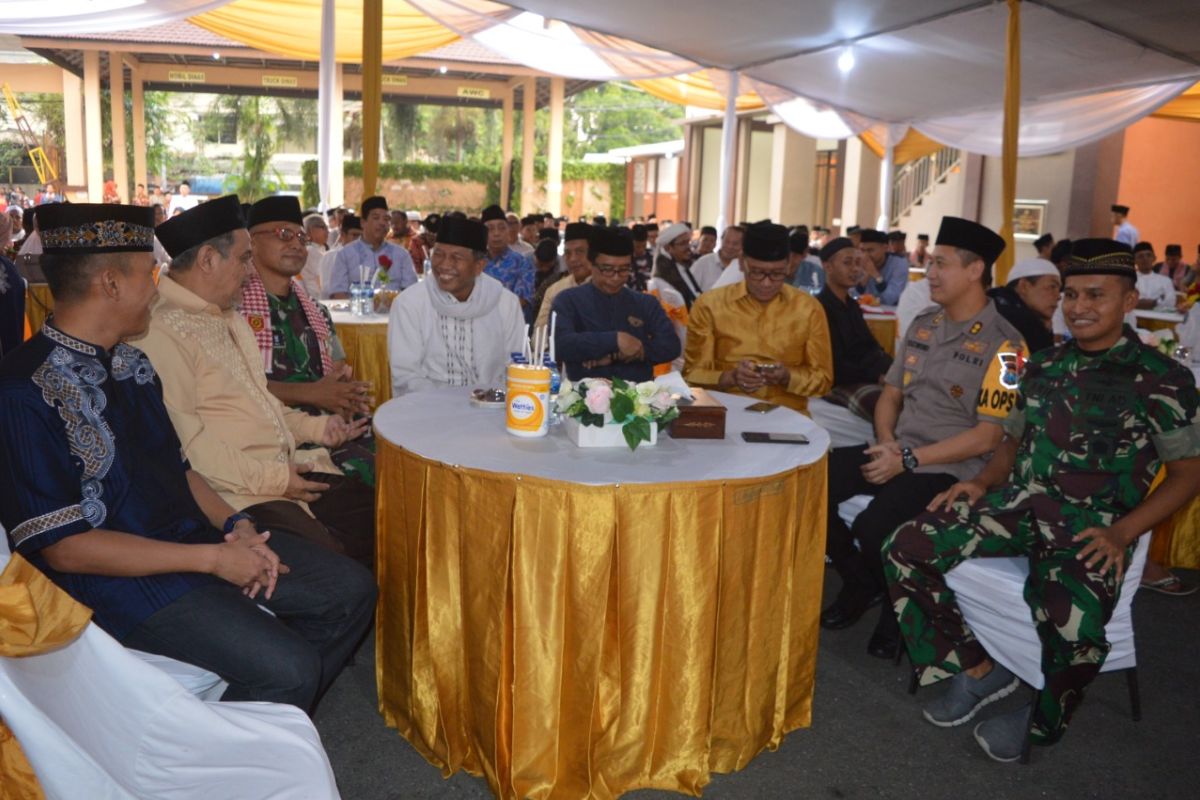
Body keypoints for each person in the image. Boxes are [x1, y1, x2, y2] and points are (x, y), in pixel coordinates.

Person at [0, 202, 375, 713]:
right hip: (111, 583)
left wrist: (236, 526)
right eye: (147, 274)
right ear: (110, 283)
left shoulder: (131, 362)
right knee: (290, 669)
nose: (157, 287)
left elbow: (181, 467)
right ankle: (221, 739)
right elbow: (66, 550)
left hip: (190, 542)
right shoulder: (23, 389)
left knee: (349, 590)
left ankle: (249, 722)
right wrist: (213, 560)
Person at [883, 238, 1200, 762]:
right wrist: (982, 483)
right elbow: (1009, 440)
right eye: (1070, 294)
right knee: (905, 546)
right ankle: (979, 668)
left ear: (1128, 301)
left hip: (1092, 526)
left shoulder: (1161, 378)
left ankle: (1041, 716)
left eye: (1095, 295)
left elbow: (1188, 475)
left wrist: (1123, 533)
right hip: (1020, 506)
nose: (1078, 307)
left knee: (1076, 627)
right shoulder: (1040, 364)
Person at [820, 217, 1024, 661]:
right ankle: (861, 583)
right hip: (900, 450)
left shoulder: (1007, 347)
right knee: (810, 489)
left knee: (875, 527)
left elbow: (988, 435)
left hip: (949, 466)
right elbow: (890, 395)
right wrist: (888, 441)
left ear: (975, 271)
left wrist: (908, 458)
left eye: (941, 264)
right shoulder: (923, 325)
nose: (929, 273)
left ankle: (896, 611)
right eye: (930, 263)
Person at [141, 195, 375, 567]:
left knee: (379, 517)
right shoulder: (161, 330)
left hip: (285, 467)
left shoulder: (227, 316)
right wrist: (276, 479)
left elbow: (260, 400)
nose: (251, 272)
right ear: (207, 260)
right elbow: (190, 451)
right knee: (338, 568)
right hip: (239, 493)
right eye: (244, 258)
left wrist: (317, 427)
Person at [239, 196, 374, 486]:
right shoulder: (235, 310)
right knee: (369, 477)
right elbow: (237, 390)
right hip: (272, 438)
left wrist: (345, 396)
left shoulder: (317, 311)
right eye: (283, 234)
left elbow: (337, 368)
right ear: (251, 242)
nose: (297, 244)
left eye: (301, 237)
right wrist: (312, 394)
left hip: (332, 427)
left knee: (396, 453)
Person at [683, 221, 832, 413]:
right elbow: (691, 375)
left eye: (777, 274)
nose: (767, 283)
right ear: (742, 263)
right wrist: (731, 377)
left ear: (789, 264)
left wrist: (787, 377)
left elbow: (824, 381)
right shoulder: (710, 306)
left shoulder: (808, 308)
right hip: (725, 415)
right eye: (757, 272)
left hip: (788, 416)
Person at [388, 216, 524, 395]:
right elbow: (406, 377)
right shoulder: (409, 304)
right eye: (439, 254)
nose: (444, 265)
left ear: (479, 266)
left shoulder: (505, 304)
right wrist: (452, 405)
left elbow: (514, 369)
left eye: (456, 257)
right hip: (427, 412)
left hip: (490, 411)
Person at [553, 227, 680, 383]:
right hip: (583, 400)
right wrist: (615, 339)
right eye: (608, 269)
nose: (615, 277)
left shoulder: (645, 303)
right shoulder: (568, 300)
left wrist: (624, 353)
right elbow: (562, 345)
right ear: (591, 264)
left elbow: (671, 346)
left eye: (623, 270)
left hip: (639, 400)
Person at [816, 237, 892, 387]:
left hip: (868, 375)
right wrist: (877, 378)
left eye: (858, 263)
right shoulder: (819, 308)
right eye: (847, 262)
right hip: (843, 382)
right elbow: (833, 363)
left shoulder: (852, 305)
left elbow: (871, 347)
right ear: (828, 267)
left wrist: (892, 368)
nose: (856, 269)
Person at [328, 196, 418, 298]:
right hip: (357, 311)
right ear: (363, 222)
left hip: (393, 312)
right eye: (376, 218)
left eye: (386, 219)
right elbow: (339, 293)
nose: (382, 223)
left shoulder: (401, 255)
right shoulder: (345, 255)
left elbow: (411, 291)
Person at [987, 257, 1061, 354]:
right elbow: (1045, 363)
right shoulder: (1022, 322)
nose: (1059, 296)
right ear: (1024, 286)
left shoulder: (991, 305)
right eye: (1052, 287)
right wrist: (1043, 332)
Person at [536, 222, 592, 332]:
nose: (572, 259)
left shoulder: (608, 287)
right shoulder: (554, 289)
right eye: (568, 253)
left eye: (579, 252)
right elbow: (539, 335)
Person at [653, 222, 702, 309]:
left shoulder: (682, 267)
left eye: (688, 242)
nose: (688, 247)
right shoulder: (662, 278)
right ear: (668, 248)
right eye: (683, 243)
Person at [858, 229, 910, 305]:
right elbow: (853, 296)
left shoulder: (899, 263)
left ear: (885, 248)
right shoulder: (858, 262)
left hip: (891, 312)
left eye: (870, 250)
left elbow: (890, 299)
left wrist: (876, 275)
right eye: (862, 250)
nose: (865, 255)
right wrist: (865, 278)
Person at [689, 225, 743, 292]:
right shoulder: (703, 263)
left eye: (735, 244)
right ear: (721, 240)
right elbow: (689, 289)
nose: (730, 246)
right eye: (727, 242)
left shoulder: (743, 268)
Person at [529, 237, 564, 325]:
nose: (544, 269)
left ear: (555, 259)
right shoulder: (525, 260)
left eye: (547, 266)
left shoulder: (563, 268)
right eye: (540, 265)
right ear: (535, 255)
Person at [1132, 242, 1175, 309]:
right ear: (1134, 260)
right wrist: (1157, 301)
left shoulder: (1166, 281)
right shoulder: (1129, 280)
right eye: (1140, 256)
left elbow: (1171, 302)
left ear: (1154, 258)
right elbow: (1126, 301)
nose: (1145, 259)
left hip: (1159, 318)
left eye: (1148, 255)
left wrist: (1151, 303)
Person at [788, 227, 825, 292]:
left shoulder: (815, 271)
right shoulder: (776, 271)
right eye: (787, 257)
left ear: (805, 254)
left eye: (795, 256)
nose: (790, 261)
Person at [628, 224, 653, 292]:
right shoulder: (626, 259)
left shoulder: (652, 255)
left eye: (644, 246)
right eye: (637, 246)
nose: (641, 250)